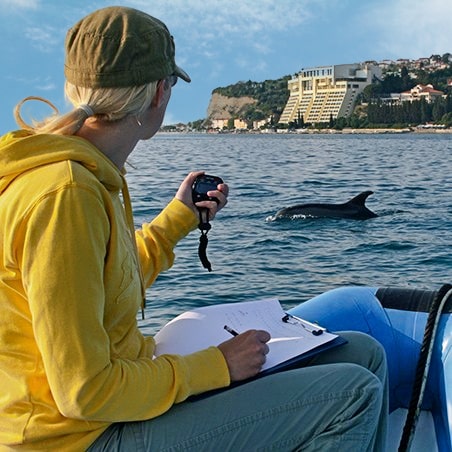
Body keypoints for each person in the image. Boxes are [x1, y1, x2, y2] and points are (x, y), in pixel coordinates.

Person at [0, 6, 388, 451]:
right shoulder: (66, 195)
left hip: (115, 401)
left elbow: (104, 285)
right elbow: (84, 392)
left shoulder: (90, 175)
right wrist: (217, 365)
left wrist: (178, 219)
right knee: (354, 394)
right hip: (77, 438)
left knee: (362, 352)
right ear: (160, 93)